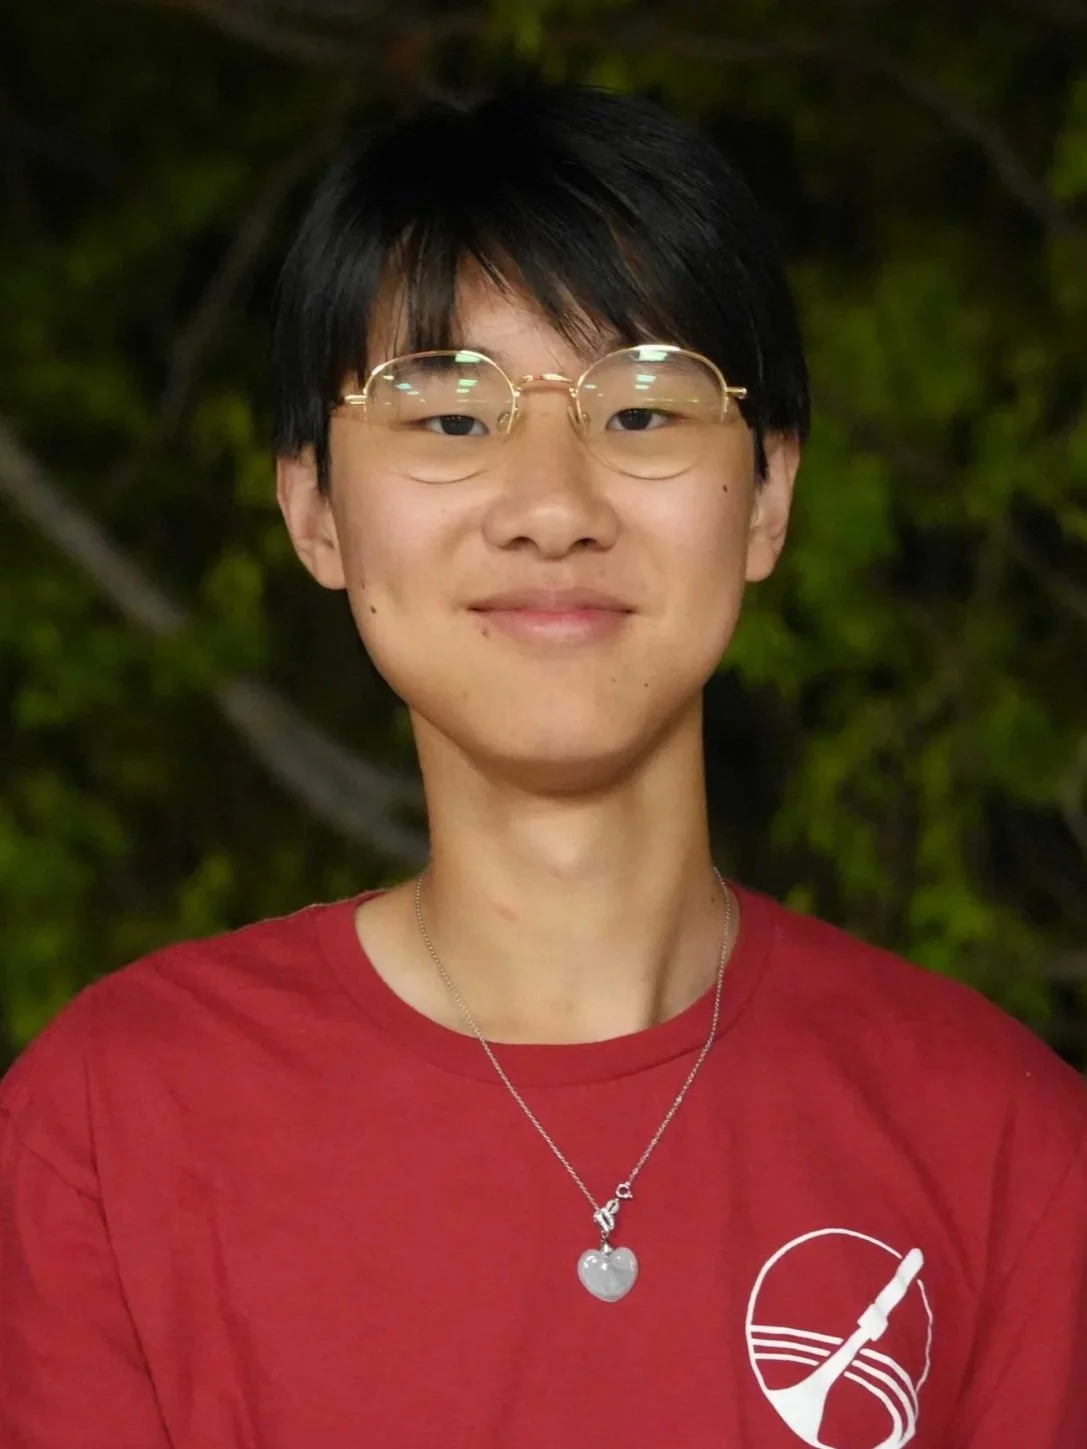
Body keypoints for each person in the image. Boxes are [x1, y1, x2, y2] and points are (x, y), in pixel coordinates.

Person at [1, 82, 1085, 1449]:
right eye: (451, 418)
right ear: (314, 509)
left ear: (766, 497)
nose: (553, 509)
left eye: (642, 412)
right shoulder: (113, 1127)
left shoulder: (1002, 1144)